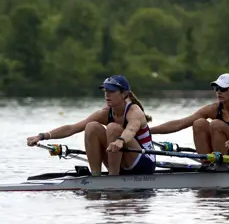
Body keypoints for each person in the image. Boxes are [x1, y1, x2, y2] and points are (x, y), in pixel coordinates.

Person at [26, 75, 156, 176]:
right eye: (105, 90)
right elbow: (73, 128)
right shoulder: (105, 113)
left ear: (124, 94)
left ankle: (113, 178)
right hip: (121, 159)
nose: (107, 94)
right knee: (91, 127)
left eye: (111, 91)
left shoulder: (134, 111)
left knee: (112, 128)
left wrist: (121, 141)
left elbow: (131, 130)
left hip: (143, 162)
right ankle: (96, 176)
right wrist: (42, 136)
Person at [149, 73, 229, 169]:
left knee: (216, 124)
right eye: (216, 88)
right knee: (199, 123)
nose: (219, 92)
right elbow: (180, 123)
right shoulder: (213, 109)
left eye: (223, 89)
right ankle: (208, 163)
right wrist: (147, 131)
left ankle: (221, 165)